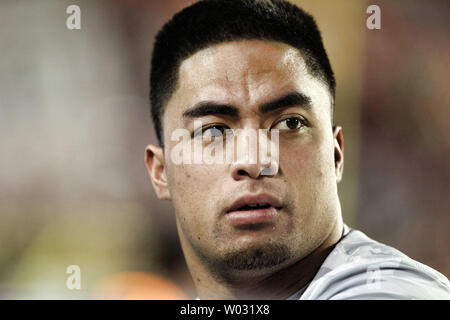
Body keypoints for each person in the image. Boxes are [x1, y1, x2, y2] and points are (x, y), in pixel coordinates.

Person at [144, 0, 450, 299]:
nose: (254, 161)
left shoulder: (389, 290)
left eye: (290, 123)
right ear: (160, 172)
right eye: (213, 131)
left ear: (336, 156)